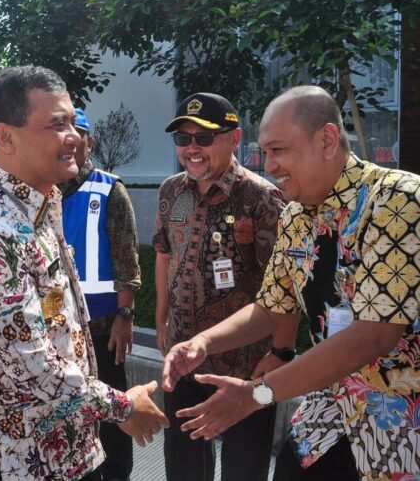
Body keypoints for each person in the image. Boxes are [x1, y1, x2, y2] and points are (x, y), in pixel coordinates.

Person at [161, 85, 420, 480]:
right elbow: (270, 306)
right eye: (264, 152)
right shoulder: (295, 215)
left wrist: (256, 395)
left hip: (401, 413)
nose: (269, 165)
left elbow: (373, 336)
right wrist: (203, 343)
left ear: (328, 140)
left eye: (278, 150)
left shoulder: (397, 200)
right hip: (330, 402)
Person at [0, 65, 168, 481]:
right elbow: (30, 363)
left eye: (73, 123)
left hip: (61, 449)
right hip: (15, 462)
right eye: (57, 124)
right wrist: (123, 407)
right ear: (5, 136)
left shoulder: (39, 205)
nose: (74, 138)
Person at [153, 92, 286, 481]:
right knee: (183, 467)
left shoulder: (262, 198)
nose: (192, 148)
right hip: (182, 360)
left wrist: (280, 350)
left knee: (243, 470)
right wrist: (160, 319)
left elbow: (285, 286)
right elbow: (163, 254)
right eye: (183, 139)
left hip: (244, 368)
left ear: (234, 138)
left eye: (204, 138)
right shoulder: (169, 191)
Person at [58, 108, 139, 481]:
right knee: (69, 409)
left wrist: (126, 317)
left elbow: (127, 260)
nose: (72, 142)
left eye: (81, 134)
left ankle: (117, 473)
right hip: (58, 328)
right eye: (64, 132)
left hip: (104, 327)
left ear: (89, 142)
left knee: (111, 408)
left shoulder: (109, 189)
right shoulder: (41, 189)